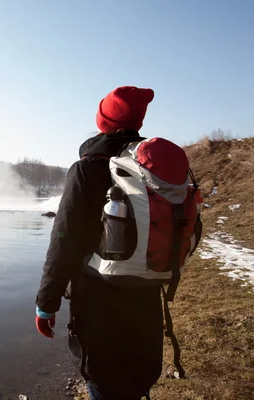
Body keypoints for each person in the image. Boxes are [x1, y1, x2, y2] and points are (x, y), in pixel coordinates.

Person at [35, 86, 164, 400]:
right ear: (138, 124)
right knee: (135, 382)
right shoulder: (155, 171)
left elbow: (63, 240)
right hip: (147, 304)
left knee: (104, 384)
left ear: (103, 122)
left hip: (99, 308)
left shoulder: (87, 169)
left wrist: (46, 303)